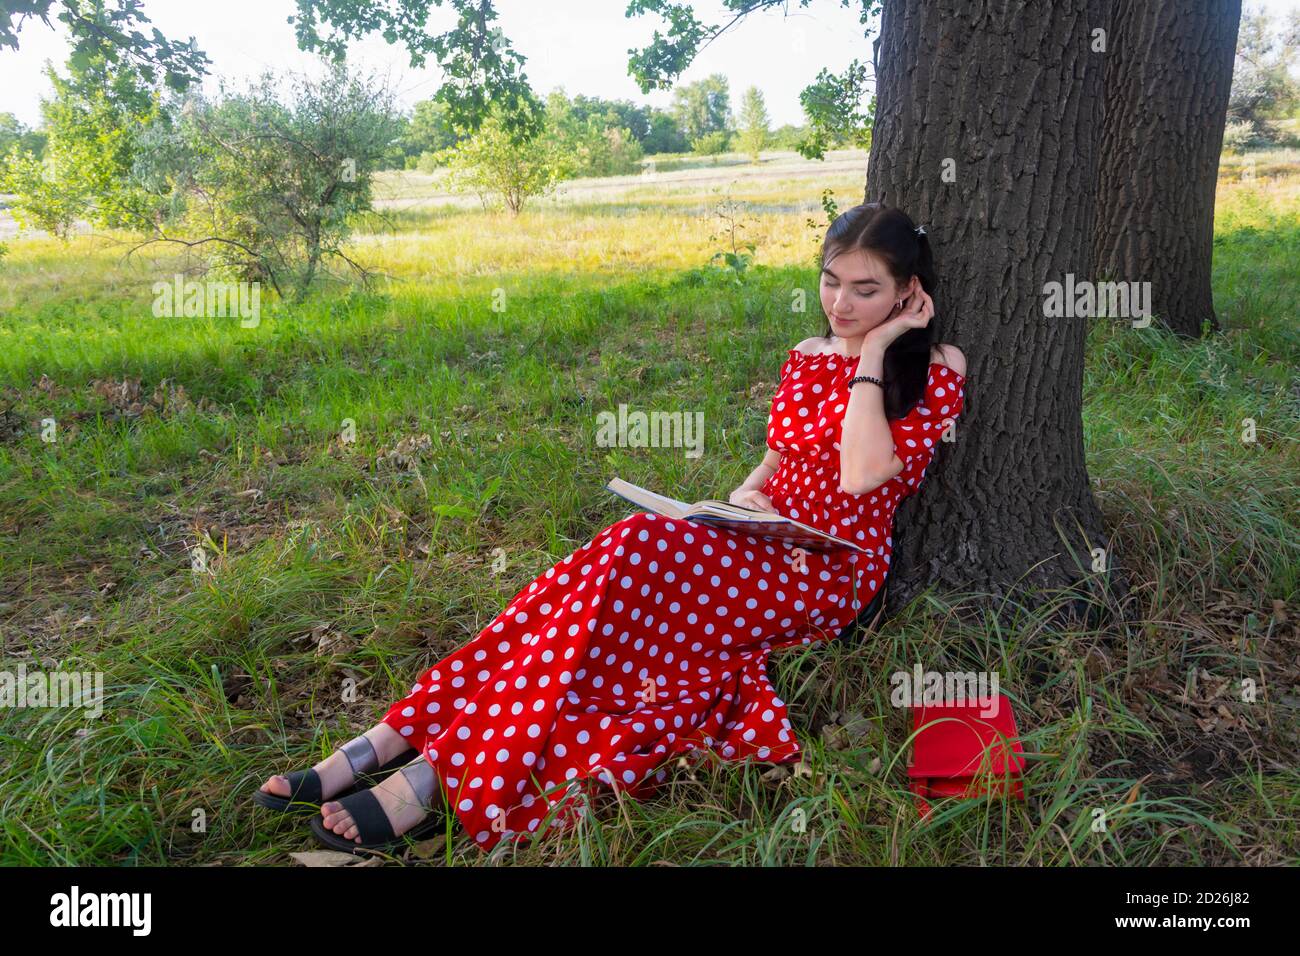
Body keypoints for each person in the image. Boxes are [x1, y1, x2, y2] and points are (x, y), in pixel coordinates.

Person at [256, 201, 968, 853]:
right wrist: (743, 500)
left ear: (909, 291)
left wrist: (873, 355)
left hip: (828, 572)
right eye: (829, 281)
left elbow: (862, 475)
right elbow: (772, 461)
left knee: (626, 559)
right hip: (760, 541)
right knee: (590, 591)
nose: (840, 304)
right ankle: (394, 740)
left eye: (865, 290)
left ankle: (424, 767)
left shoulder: (933, 368)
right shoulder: (807, 358)